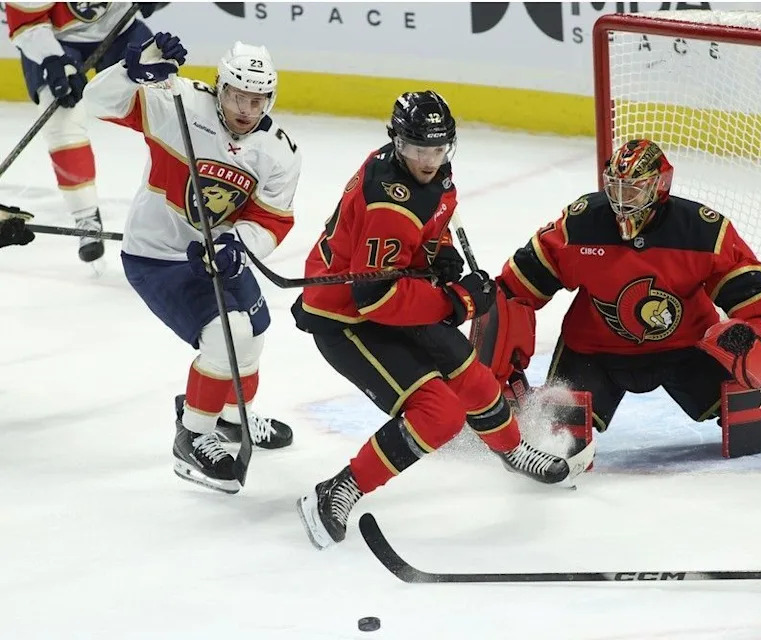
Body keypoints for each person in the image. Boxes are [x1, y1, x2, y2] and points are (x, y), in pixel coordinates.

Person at [291, 91, 581, 550]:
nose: (428, 160)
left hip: (398, 296)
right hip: (347, 318)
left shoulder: (429, 171)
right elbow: (377, 298)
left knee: (477, 382)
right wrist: (458, 302)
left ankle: (509, 450)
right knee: (439, 414)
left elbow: (425, 231)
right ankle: (339, 489)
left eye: (437, 147)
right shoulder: (388, 202)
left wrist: (439, 256)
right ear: (396, 142)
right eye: (416, 149)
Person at [82, 34, 300, 493]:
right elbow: (95, 102)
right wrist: (130, 73)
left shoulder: (279, 152)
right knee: (228, 335)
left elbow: (272, 219)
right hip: (156, 256)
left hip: (220, 257)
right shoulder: (177, 103)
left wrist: (238, 244)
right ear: (220, 87)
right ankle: (193, 437)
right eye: (238, 95)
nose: (245, 108)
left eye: (257, 99)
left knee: (253, 336)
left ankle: (231, 418)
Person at [488, 139, 761, 451]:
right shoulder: (581, 224)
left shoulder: (702, 231)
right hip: (594, 353)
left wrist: (758, 338)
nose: (622, 200)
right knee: (558, 430)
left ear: (660, 186)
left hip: (687, 350)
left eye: (633, 189)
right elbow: (516, 289)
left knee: (746, 411)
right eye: (616, 188)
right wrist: (499, 367)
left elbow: (759, 296)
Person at [6, 2, 161, 263]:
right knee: (61, 121)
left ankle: (184, 206)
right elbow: (26, 21)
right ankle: (86, 215)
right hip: (57, 39)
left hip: (121, 28)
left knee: (166, 102)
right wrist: (53, 58)